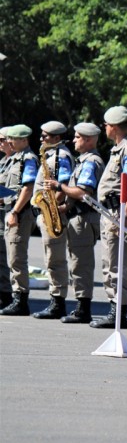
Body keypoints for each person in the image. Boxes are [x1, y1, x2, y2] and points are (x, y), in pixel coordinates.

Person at [45, 122, 104, 323]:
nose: (74, 140)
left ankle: (83, 309)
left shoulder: (90, 162)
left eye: (78, 137)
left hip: (84, 219)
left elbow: (83, 191)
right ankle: (81, 306)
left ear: (88, 140)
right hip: (76, 217)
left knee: (81, 264)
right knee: (76, 263)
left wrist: (59, 185)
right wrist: (61, 209)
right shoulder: (83, 161)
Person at [92, 106, 127, 329]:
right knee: (110, 262)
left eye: (105, 125)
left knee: (118, 263)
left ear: (113, 126)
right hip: (112, 212)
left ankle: (118, 313)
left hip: (120, 213)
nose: (105, 128)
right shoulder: (119, 149)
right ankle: (115, 309)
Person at [31, 121, 75, 320]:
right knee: (51, 258)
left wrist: (52, 209)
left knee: (55, 260)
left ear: (56, 138)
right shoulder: (51, 155)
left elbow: (62, 185)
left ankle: (58, 302)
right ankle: (55, 300)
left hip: (54, 214)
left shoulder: (61, 156)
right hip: (48, 212)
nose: (41, 139)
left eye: (45, 136)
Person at [0, 125, 38, 316]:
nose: (9, 142)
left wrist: (14, 211)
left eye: (13, 139)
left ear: (24, 140)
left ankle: (20, 301)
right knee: (12, 258)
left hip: (20, 214)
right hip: (12, 211)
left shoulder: (28, 159)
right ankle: (17, 299)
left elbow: (28, 188)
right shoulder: (15, 158)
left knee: (17, 259)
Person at [0, 127, 14, 306]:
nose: (0, 143)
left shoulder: (22, 161)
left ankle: (7, 295)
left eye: (2, 139)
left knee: (7, 256)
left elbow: (21, 189)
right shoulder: (4, 161)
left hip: (9, 213)